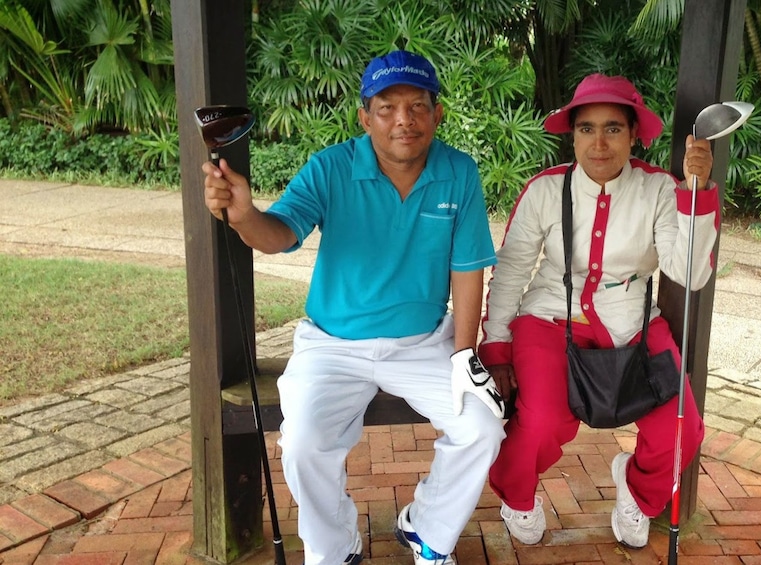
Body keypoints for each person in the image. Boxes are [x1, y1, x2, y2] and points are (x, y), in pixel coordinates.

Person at [202, 50, 506, 565]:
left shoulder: (459, 172)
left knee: (481, 427)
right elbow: (279, 234)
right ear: (365, 117)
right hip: (333, 343)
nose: (403, 120)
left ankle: (427, 528)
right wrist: (243, 214)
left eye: (417, 105)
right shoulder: (330, 167)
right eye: (386, 107)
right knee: (302, 443)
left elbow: (467, 269)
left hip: (424, 341)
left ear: (438, 114)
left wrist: (463, 356)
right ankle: (334, 548)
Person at [478, 73, 717, 549]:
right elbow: (511, 272)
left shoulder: (660, 189)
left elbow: (688, 274)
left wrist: (696, 192)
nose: (599, 142)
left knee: (683, 427)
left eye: (613, 128)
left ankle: (640, 490)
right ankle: (518, 496)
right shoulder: (545, 190)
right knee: (543, 421)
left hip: (631, 320)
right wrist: (498, 345)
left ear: (633, 135)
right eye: (586, 128)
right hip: (549, 316)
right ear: (573, 135)